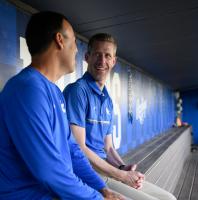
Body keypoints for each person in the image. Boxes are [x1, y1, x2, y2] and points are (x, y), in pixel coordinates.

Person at [0, 12, 125, 200]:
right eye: (74, 41)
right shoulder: (27, 89)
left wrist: (102, 189)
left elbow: (73, 151)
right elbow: (48, 171)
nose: (75, 49)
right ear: (59, 40)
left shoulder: (54, 92)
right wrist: (97, 198)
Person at [63, 33, 177, 200]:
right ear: (87, 57)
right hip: (86, 174)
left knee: (169, 198)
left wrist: (123, 167)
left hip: (106, 170)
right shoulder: (78, 91)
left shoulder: (107, 99)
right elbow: (79, 149)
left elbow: (108, 147)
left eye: (107, 55)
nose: (102, 61)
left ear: (114, 61)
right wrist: (121, 175)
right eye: (97, 54)